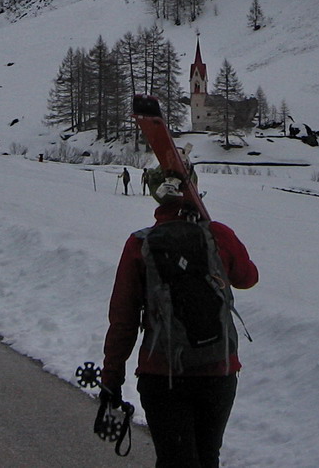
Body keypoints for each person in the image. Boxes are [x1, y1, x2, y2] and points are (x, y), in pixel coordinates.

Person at [101, 174, 258, 468]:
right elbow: (248, 278)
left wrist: (111, 376)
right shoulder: (218, 235)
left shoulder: (140, 244)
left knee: (175, 460)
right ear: (193, 187)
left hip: (163, 375)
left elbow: (123, 319)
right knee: (207, 457)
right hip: (218, 370)